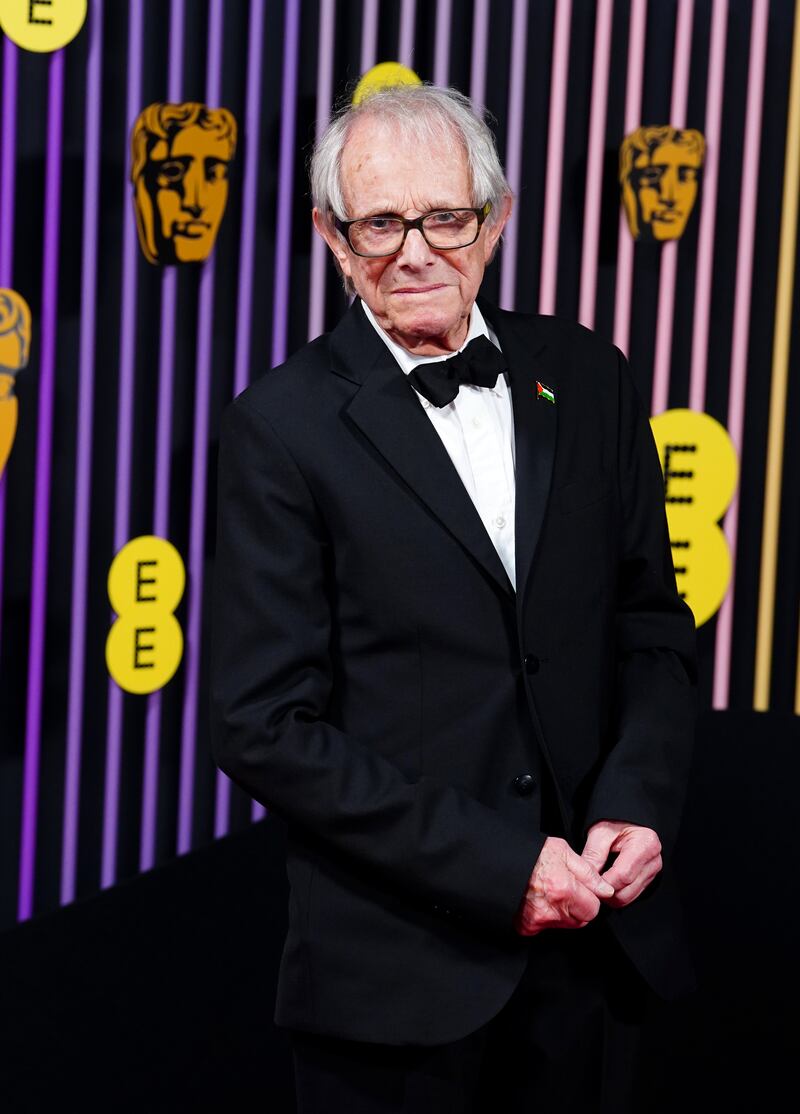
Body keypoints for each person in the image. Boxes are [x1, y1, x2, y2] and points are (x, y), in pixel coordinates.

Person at [210, 84, 696, 1113]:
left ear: (495, 217)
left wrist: (634, 801)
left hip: (594, 953)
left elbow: (650, 625)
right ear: (331, 240)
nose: (415, 250)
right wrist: (495, 865)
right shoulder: (281, 426)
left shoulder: (590, 376)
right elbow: (261, 723)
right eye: (379, 222)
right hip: (398, 982)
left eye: (444, 216)